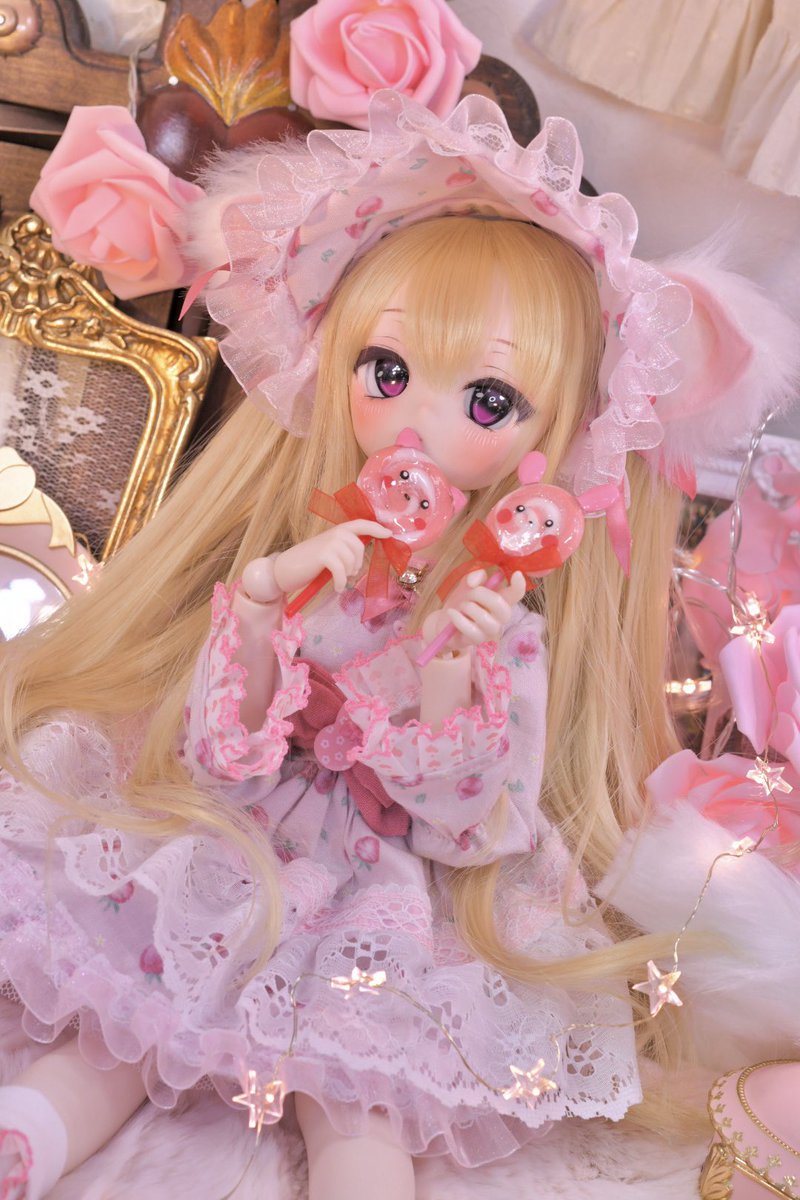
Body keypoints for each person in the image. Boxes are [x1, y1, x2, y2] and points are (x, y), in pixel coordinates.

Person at [0, 92, 794, 1200]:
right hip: (245, 840)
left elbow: (467, 827)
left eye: (488, 398)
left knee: (360, 1098)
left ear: (551, 439)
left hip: (388, 886)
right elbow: (224, 757)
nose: (418, 419)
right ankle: (28, 1138)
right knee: (124, 1019)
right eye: (387, 371)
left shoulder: (499, 627)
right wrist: (263, 610)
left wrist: (448, 679)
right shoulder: (322, 558)